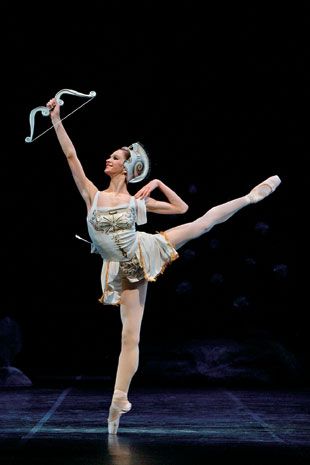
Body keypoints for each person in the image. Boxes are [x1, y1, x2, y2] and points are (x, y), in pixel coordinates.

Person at [46, 97, 281, 434]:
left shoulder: (136, 201)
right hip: (118, 265)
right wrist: (56, 118)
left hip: (139, 255)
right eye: (110, 156)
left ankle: (249, 198)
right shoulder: (91, 194)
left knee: (200, 225)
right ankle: (118, 407)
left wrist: (155, 184)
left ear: (127, 168)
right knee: (129, 338)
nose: (108, 159)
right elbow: (71, 155)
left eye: (115, 157)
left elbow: (182, 208)